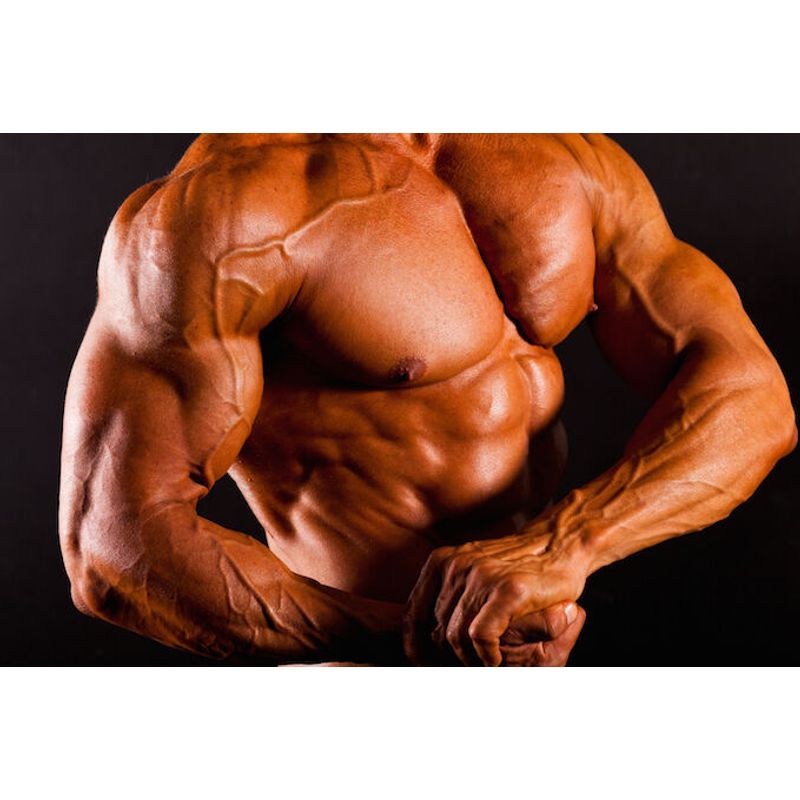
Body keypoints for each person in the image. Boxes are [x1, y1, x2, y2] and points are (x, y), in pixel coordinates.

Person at [58, 134, 796, 666]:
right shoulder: (226, 209)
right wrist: (416, 640)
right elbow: (112, 548)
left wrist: (566, 544)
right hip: (366, 684)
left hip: (542, 658)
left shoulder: (566, 156)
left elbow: (754, 396)